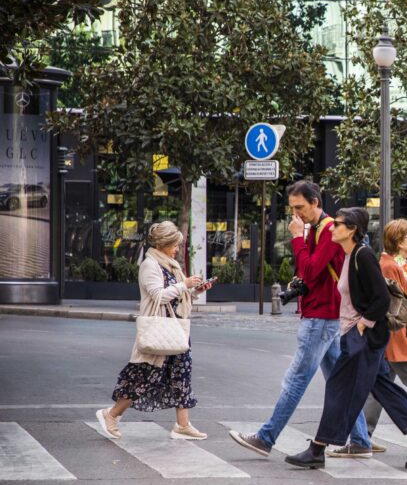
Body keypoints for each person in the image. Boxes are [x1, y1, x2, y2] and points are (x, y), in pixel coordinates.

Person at [284, 207, 407, 470]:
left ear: (353, 229)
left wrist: (362, 325)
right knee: (384, 388)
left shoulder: (363, 255)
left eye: (340, 224)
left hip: (364, 338)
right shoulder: (348, 256)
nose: (333, 228)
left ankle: (317, 449)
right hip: (359, 337)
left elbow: (380, 298)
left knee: (337, 387)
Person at [228, 180, 345, 457]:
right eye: (292, 208)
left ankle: (266, 438)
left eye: (300, 207)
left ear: (315, 202)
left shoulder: (328, 230)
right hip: (324, 313)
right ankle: (361, 440)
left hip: (321, 315)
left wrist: (296, 238)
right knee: (340, 382)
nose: (296, 214)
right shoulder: (318, 229)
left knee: (296, 380)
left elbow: (310, 271)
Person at [330, 219, 407, 457]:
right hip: (397, 338)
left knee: (379, 387)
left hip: (395, 337)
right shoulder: (390, 266)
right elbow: (401, 305)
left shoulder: (400, 265)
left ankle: (363, 436)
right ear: (398, 242)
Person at [95, 221, 213, 441]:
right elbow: (158, 296)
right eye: (174, 245)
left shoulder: (170, 265)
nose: (177, 249)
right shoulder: (150, 265)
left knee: (181, 376)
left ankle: (182, 425)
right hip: (159, 330)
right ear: (164, 244)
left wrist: (195, 291)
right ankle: (110, 415)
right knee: (144, 376)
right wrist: (184, 284)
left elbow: (177, 296)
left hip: (176, 329)